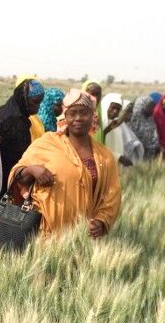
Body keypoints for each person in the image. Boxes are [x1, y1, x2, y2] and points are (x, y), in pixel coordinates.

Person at [7, 89, 121, 237]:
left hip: (84, 238)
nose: (78, 118)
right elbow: (17, 174)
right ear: (65, 116)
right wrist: (32, 171)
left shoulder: (104, 156)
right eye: (72, 113)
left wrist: (101, 221)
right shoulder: (47, 143)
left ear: (93, 115)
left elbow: (112, 194)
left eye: (84, 113)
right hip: (45, 238)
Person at [0, 78, 44, 195]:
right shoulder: (14, 121)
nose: (38, 107)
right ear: (23, 99)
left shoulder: (8, 112)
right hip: (3, 177)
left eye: (40, 103)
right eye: (35, 102)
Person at [101, 93, 132, 166]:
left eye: (118, 109)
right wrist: (118, 157)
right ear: (106, 105)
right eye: (113, 107)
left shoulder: (115, 124)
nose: (115, 111)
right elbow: (98, 146)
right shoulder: (99, 124)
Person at [120, 99, 145, 164]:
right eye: (128, 112)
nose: (131, 114)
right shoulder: (118, 126)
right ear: (122, 111)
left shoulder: (128, 125)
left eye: (131, 112)